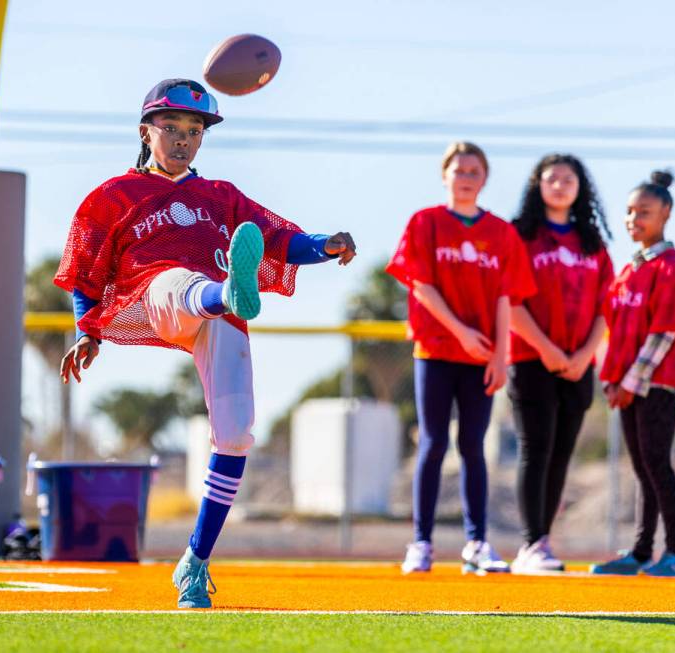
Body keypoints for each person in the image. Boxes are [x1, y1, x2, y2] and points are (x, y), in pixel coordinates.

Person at [54, 79, 357, 607]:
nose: (182, 139)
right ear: (146, 131)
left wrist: (324, 246)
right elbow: (83, 275)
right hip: (157, 296)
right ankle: (227, 292)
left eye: (194, 131)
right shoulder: (114, 195)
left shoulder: (221, 196)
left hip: (221, 313)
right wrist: (85, 331)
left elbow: (280, 239)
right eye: (170, 127)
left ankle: (194, 561)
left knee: (236, 435)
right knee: (178, 281)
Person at [387, 141, 536, 575]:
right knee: (433, 443)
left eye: (475, 169)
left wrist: (500, 356)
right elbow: (420, 285)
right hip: (436, 350)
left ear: (484, 178)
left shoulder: (501, 233)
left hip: (482, 356)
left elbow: (507, 298)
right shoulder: (426, 222)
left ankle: (476, 542)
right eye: (459, 168)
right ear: (445, 174)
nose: (467, 175)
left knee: (473, 446)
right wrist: (462, 332)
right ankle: (422, 543)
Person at [507, 154, 613, 573]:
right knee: (536, 449)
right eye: (551, 178)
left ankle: (542, 541)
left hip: (578, 364)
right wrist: (548, 350)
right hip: (532, 359)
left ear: (580, 187)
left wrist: (584, 355)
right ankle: (531, 544)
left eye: (569, 179)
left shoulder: (593, 244)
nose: (560, 185)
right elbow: (509, 300)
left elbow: (607, 305)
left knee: (561, 455)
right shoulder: (520, 236)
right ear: (538, 185)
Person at [591, 170, 675, 578]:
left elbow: (665, 332)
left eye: (645, 212)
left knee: (656, 462)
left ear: (666, 213)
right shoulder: (628, 272)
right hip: (628, 387)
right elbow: (614, 334)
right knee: (642, 468)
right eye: (630, 212)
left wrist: (632, 383)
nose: (634, 219)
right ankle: (639, 551)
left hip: (659, 383)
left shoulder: (673, 268)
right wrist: (611, 381)